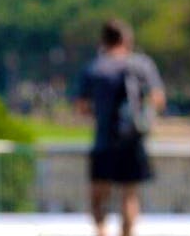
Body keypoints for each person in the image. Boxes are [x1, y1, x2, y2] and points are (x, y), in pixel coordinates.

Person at [76, 19, 165, 236]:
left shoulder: (94, 67)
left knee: (98, 198)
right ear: (126, 39)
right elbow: (158, 98)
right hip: (133, 140)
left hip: (104, 140)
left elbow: (81, 106)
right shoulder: (142, 64)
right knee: (129, 195)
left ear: (103, 40)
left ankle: (102, 232)